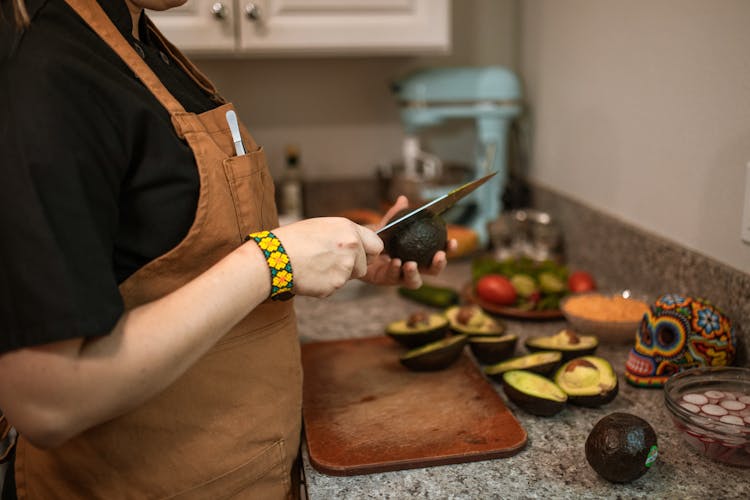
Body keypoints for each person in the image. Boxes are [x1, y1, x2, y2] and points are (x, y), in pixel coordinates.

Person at [0, 0, 456, 498]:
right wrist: (272, 261)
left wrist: (332, 255)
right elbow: (47, 399)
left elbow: (175, 257)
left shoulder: (140, 42)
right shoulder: (51, 72)